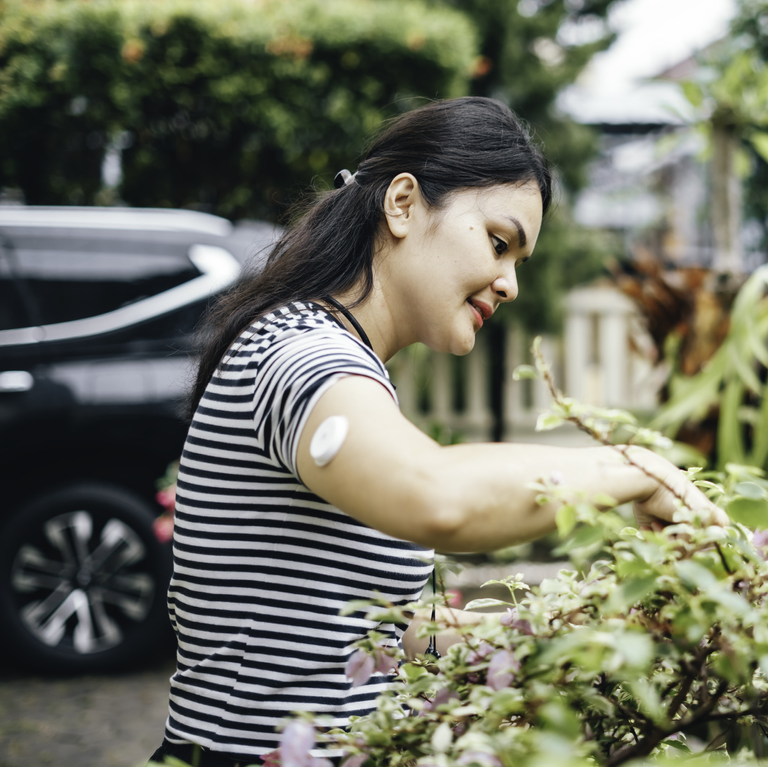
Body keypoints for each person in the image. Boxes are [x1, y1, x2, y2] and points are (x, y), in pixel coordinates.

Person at [149, 97, 725, 767]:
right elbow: (438, 497)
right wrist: (634, 468)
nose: (509, 284)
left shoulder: (340, 365)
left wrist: (592, 633)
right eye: (498, 242)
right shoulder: (300, 354)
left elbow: (380, 638)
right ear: (403, 205)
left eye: (520, 261)